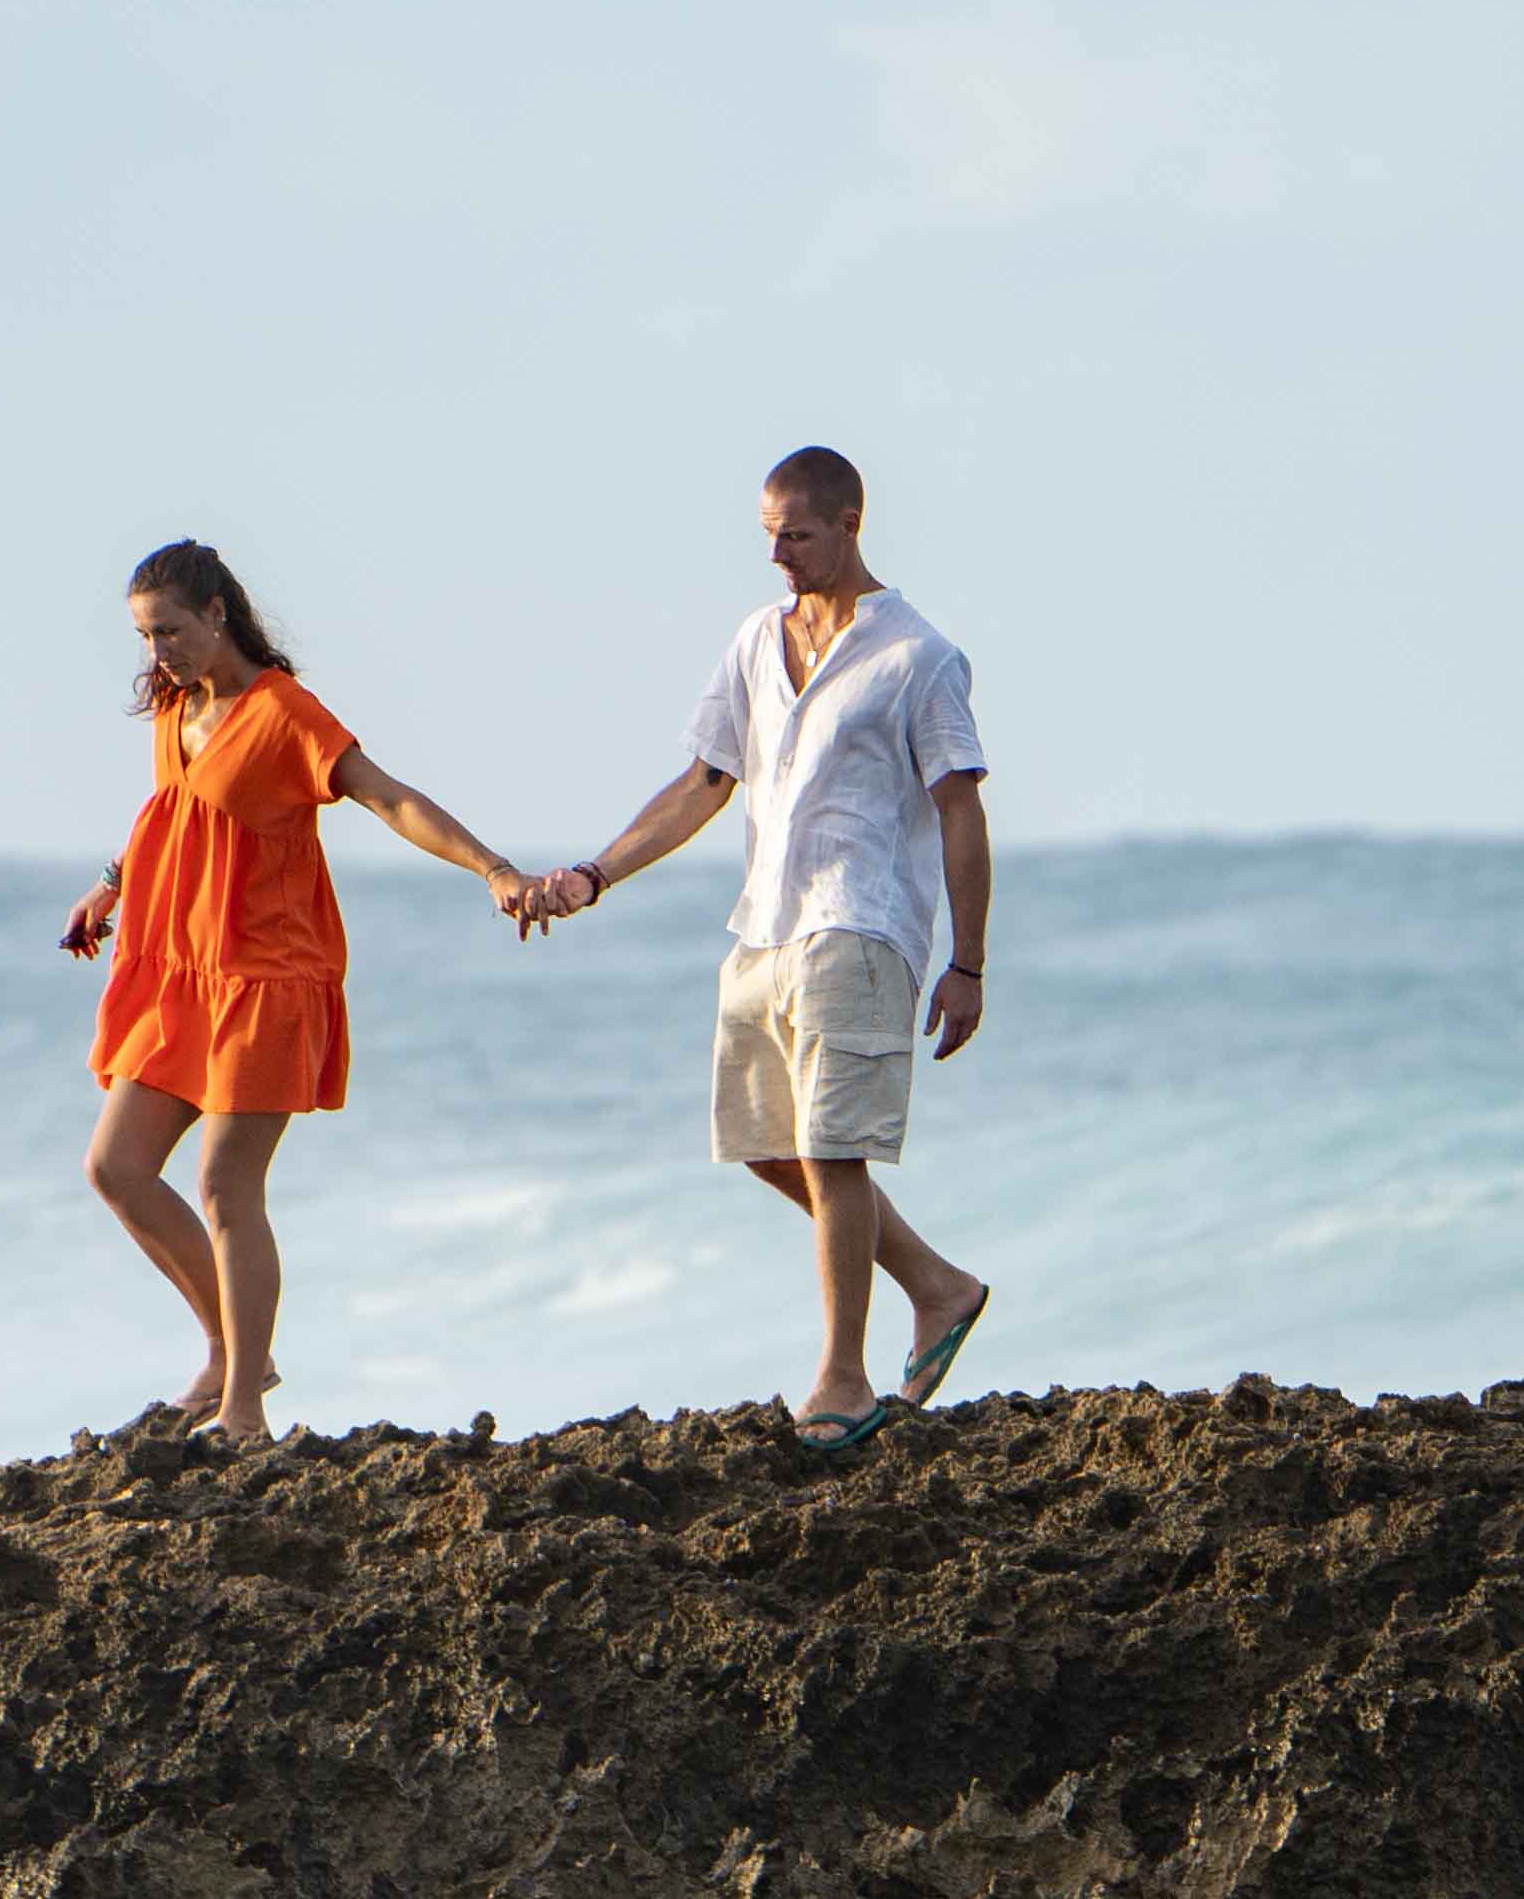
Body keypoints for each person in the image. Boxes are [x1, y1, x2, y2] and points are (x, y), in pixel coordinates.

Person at [510, 446, 994, 1450]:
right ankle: (936, 1287)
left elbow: (958, 809)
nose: (776, 551)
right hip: (762, 928)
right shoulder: (751, 642)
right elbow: (701, 782)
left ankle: (841, 1378)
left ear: (850, 523)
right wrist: (595, 874)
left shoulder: (918, 656)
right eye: (766, 531)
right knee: (767, 1146)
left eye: (797, 532)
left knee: (831, 1145)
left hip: (859, 925)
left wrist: (967, 961)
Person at [58, 537, 539, 1449]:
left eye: (170, 631)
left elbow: (388, 798)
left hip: (270, 975)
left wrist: (494, 869)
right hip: (182, 970)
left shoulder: (284, 714)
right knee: (115, 1169)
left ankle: (244, 1407)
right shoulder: (177, 705)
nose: (158, 652)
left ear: (217, 614)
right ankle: (227, 1346)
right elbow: (177, 808)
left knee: (226, 1185)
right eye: (145, 637)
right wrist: (111, 886)